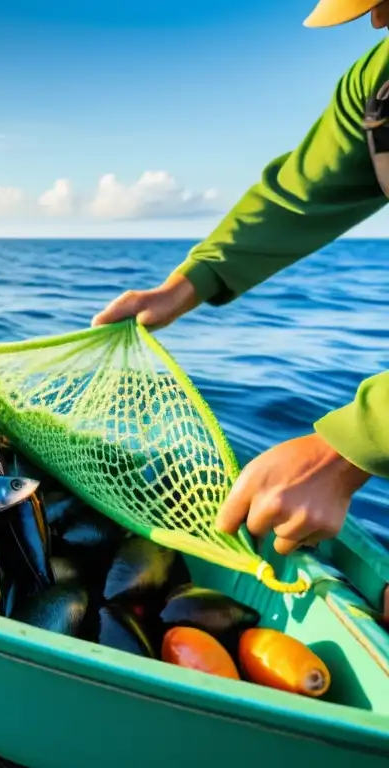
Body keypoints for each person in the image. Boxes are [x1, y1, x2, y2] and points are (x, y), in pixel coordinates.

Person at [92, 0, 389, 559]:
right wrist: (187, 285)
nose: (377, 22)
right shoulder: (379, 81)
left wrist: (347, 454)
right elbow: (301, 193)